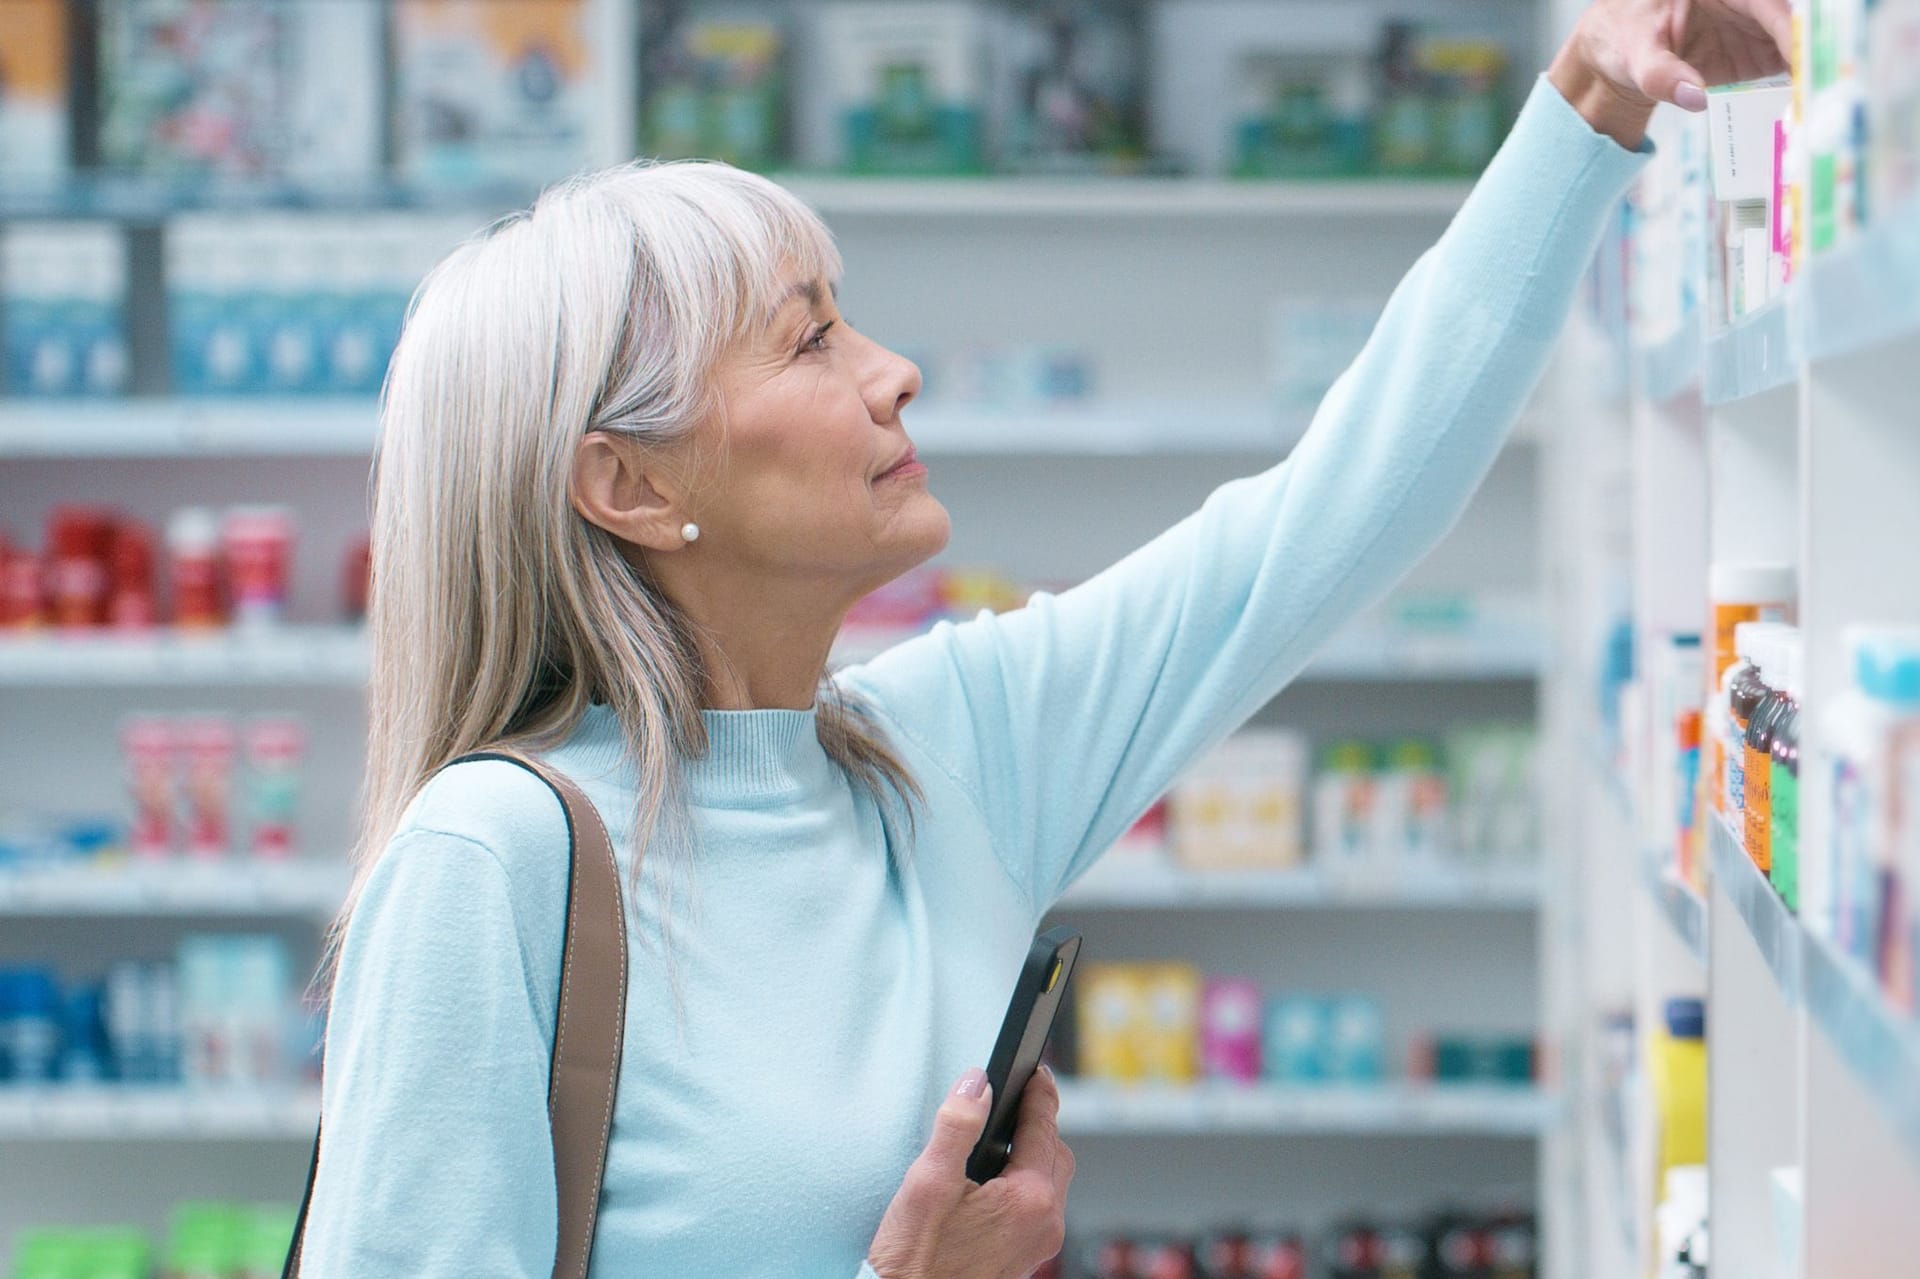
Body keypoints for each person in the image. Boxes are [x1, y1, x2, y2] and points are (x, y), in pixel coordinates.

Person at [301, 2, 1789, 1275]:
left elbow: (1335, 514)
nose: (896, 373)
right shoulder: (493, 863)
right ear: (630, 483)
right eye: (810, 337)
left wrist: (1590, 101)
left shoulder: (941, 754)